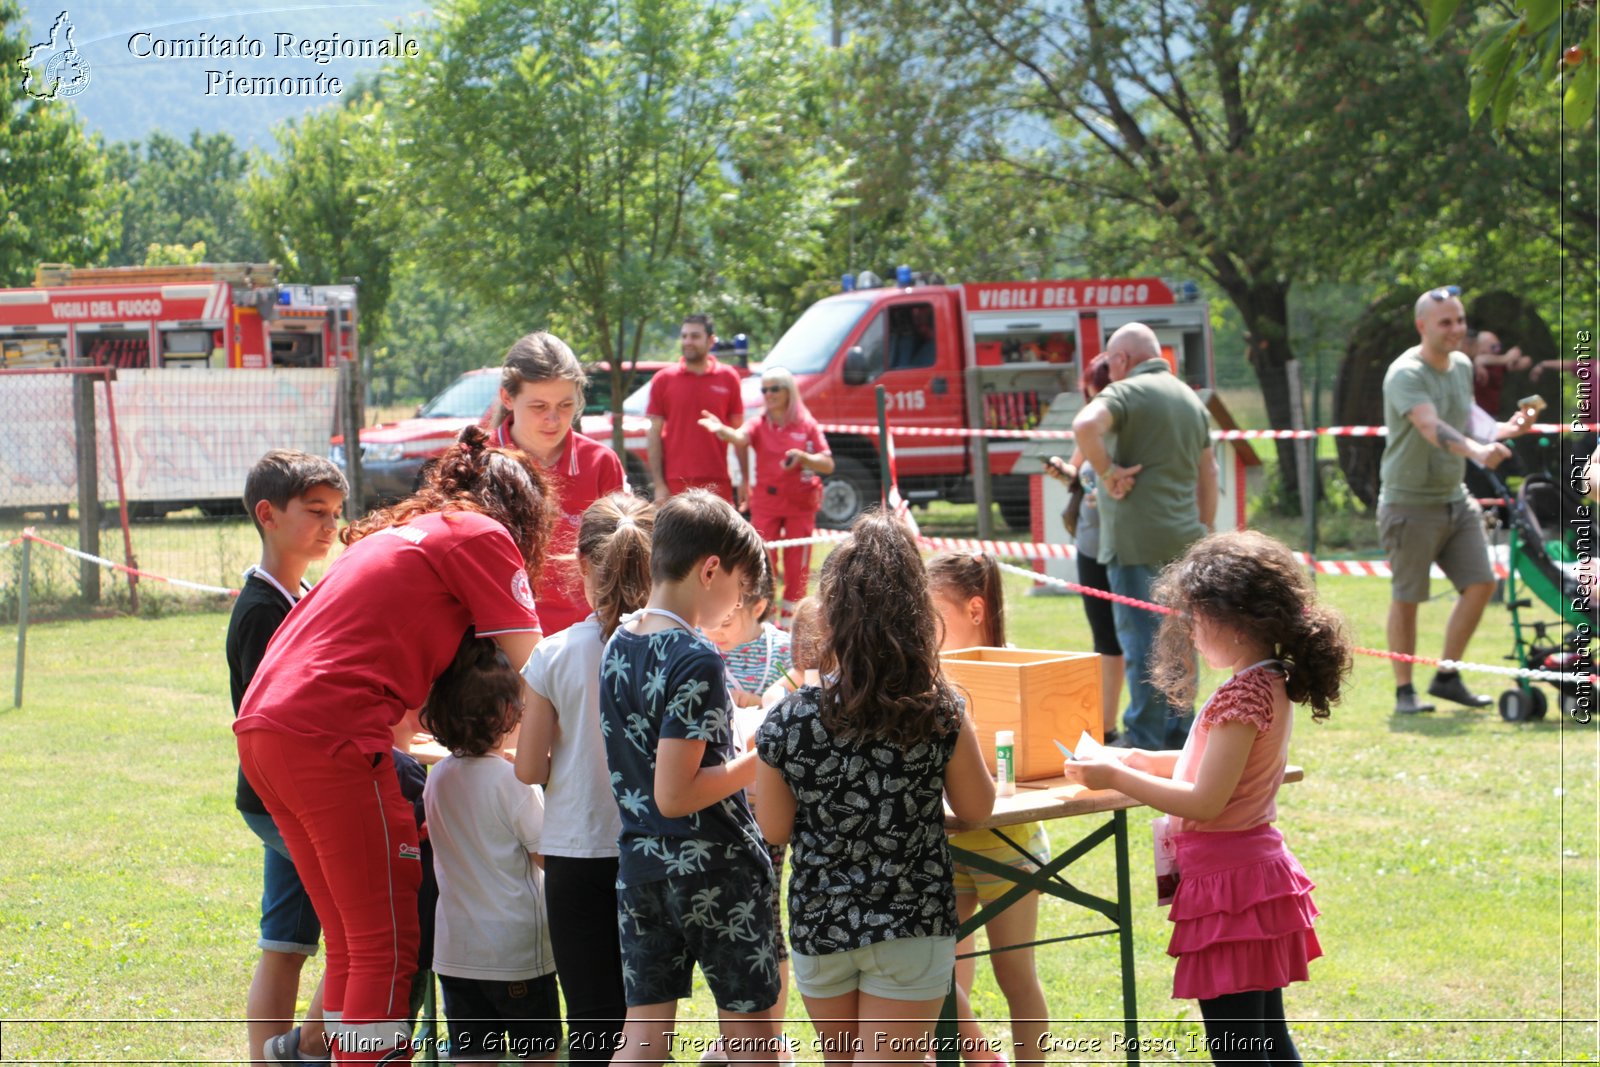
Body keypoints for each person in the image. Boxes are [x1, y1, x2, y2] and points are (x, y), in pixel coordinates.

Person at [235, 426, 555, 1065]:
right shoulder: (481, 536)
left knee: (354, 943)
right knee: (387, 945)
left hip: (266, 733)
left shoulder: (392, 539)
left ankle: (314, 1055)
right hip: (331, 738)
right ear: (521, 517)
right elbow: (543, 672)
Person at [1062, 530, 1351, 1064]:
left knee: (1238, 1048)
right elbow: (1220, 768)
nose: (1189, 629)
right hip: (1252, 878)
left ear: (1236, 620)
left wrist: (1115, 777)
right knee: (1266, 1037)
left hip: (1231, 889)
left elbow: (1205, 801)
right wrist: (1145, 761)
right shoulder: (1267, 680)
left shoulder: (1244, 693)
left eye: (1196, 617)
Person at [754, 513, 995, 1065]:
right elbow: (978, 810)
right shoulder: (938, 709)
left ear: (831, 615)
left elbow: (772, 828)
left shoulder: (789, 717)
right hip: (912, 922)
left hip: (822, 924)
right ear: (917, 613)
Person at [598, 490, 779, 1066]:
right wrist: (765, 751)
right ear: (710, 570)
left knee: (643, 1040)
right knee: (752, 1046)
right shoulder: (695, 656)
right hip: (714, 871)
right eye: (739, 588)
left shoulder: (619, 641)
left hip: (640, 869)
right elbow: (675, 794)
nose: (737, 605)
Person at [514, 493, 655, 1067]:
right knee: (648, 1022)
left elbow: (527, 767)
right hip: (652, 850)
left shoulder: (552, 654)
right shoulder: (675, 650)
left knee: (594, 1027)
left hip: (575, 853)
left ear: (581, 563)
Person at [228, 449, 346, 1067]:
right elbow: (277, 720)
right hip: (287, 803)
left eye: (336, 513)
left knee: (285, 942)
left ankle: (277, 1056)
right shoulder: (262, 611)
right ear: (268, 515)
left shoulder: (300, 594)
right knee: (359, 934)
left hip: (286, 800)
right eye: (316, 512)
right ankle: (300, 1049)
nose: (331, 527)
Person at [1379, 286, 1538, 714]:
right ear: (1422, 326)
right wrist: (1477, 451)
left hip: (1454, 497)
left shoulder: (1463, 364)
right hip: (1408, 501)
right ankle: (1404, 692)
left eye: (1460, 320)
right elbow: (1431, 427)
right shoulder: (1405, 373)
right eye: (1445, 322)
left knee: (1483, 583)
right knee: (1408, 596)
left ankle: (1447, 676)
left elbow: (1467, 416)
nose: (1456, 329)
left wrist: (1506, 428)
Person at [926, 552, 1050, 1067]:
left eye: (933, 619)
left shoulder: (1018, 671)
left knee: (1015, 976)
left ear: (976, 610)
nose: (923, 632)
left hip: (1010, 846)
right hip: (948, 845)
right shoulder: (928, 679)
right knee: (939, 972)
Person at [1071, 323, 1218, 750]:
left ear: (1122, 360)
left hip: (1135, 544)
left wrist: (1108, 471)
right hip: (1186, 542)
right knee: (1182, 645)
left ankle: (1142, 736)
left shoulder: (1126, 392)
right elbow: (1209, 472)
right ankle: (1179, 736)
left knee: (1142, 642)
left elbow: (1085, 426)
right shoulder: (1191, 399)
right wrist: (1205, 532)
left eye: (1111, 363)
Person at [421, 630, 561, 1067]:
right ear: (506, 713)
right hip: (516, 954)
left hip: (457, 952)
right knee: (540, 1055)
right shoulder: (511, 782)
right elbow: (547, 856)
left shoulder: (437, 777)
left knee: (472, 1057)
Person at [492, 331, 628, 636]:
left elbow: (621, 562)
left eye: (565, 405)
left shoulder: (601, 463)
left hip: (584, 637)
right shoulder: (475, 464)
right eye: (539, 407)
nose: (553, 420)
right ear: (507, 398)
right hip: (498, 645)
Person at [699, 366, 833, 622]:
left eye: (774, 388)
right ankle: (765, 617)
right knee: (762, 559)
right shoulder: (759, 424)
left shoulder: (806, 424)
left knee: (798, 566)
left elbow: (828, 463)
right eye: (764, 389)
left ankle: (792, 621)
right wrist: (721, 430)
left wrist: (805, 458)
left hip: (800, 503)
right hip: (767, 502)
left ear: (788, 391)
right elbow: (739, 438)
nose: (768, 394)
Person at [1047, 352, 1124, 744]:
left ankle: (1119, 724)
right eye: (1089, 397)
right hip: (1091, 544)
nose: (1094, 405)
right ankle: (1106, 726)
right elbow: (1079, 474)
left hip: (1123, 546)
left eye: (1100, 395)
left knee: (1126, 639)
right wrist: (1065, 471)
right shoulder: (1090, 429)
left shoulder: (1126, 429)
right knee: (1104, 640)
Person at [647, 314, 746, 505]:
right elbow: (653, 434)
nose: (687, 342)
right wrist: (659, 484)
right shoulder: (663, 379)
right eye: (684, 336)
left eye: (694, 336)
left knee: (719, 536)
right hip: (675, 482)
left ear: (711, 340)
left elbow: (739, 435)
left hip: (718, 482)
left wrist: (744, 480)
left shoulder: (729, 377)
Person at [705, 562, 795, 707]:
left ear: (758, 608)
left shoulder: (785, 651)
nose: (713, 631)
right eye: (705, 620)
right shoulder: (696, 645)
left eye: (725, 622)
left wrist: (762, 704)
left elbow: (800, 707)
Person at [1469, 329, 1529, 416]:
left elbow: (1525, 362)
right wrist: (1507, 357)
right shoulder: (1472, 361)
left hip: (1492, 413)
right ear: (1480, 347)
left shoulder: (1497, 363)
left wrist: (1515, 358)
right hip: (1476, 414)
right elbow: (1479, 360)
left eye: (1499, 346)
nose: (1497, 349)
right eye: (1493, 347)